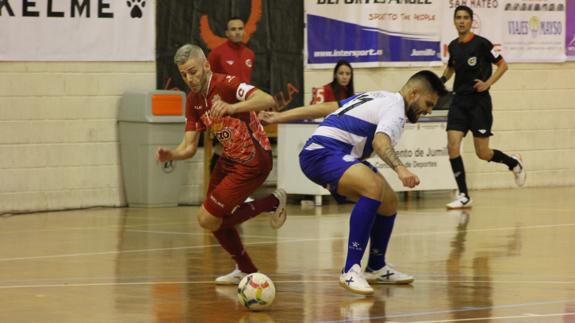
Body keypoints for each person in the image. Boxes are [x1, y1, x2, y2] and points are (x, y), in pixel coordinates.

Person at [260, 70, 448, 295]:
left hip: (328, 152)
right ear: (414, 93)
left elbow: (329, 107)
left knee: (388, 201)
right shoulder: (395, 111)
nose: (428, 111)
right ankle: (351, 270)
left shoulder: (379, 96)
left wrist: (280, 117)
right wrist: (400, 168)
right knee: (373, 187)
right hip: (323, 153)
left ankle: (376, 266)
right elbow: (380, 143)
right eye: (428, 103)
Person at [156, 44, 287, 285]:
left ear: (206, 65)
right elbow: (188, 148)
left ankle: (273, 201)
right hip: (229, 159)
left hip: (253, 160)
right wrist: (171, 154)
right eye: (184, 74)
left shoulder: (226, 84)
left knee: (207, 218)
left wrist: (232, 107)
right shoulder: (193, 101)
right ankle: (246, 269)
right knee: (213, 218)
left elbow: (265, 99)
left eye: (193, 71)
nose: (189, 78)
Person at [441, 5, 526, 209]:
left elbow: (503, 65)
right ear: (454, 21)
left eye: (465, 18)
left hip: (479, 104)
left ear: (471, 21)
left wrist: (488, 83)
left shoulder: (481, 44)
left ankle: (513, 163)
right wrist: (440, 81)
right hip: (459, 102)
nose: (462, 21)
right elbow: (451, 66)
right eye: (458, 18)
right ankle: (464, 195)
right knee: (453, 145)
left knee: (483, 153)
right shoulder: (453, 46)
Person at [207, 17, 256, 172]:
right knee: (222, 147)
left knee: (243, 150)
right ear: (227, 33)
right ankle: (215, 189)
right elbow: (207, 79)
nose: (237, 32)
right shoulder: (217, 54)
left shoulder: (249, 54)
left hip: (243, 109)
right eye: (233, 29)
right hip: (224, 109)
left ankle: (237, 193)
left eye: (240, 29)